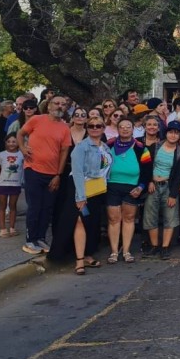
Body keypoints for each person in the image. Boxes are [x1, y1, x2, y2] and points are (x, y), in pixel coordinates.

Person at [17, 96, 72, 255]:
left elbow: (64, 152)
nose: (60, 106)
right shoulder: (36, 120)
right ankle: (30, 240)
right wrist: (22, 148)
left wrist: (58, 175)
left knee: (47, 208)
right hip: (33, 169)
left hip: (52, 173)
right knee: (34, 206)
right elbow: (20, 134)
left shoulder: (64, 128)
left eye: (63, 104)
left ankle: (40, 238)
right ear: (48, 106)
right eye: (56, 103)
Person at [105, 119, 152, 264]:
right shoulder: (108, 144)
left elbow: (147, 171)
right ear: (117, 129)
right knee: (113, 219)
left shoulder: (141, 148)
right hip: (111, 187)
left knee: (129, 219)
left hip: (132, 188)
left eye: (128, 126)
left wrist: (141, 187)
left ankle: (126, 251)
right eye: (121, 127)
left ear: (133, 129)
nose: (125, 129)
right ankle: (114, 251)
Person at [69, 116, 112, 274]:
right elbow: (77, 172)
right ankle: (79, 261)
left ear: (103, 128)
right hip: (82, 189)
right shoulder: (81, 147)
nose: (95, 128)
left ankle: (87, 255)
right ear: (87, 128)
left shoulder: (105, 147)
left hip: (98, 190)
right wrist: (81, 196)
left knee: (92, 224)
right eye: (91, 126)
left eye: (98, 125)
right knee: (81, 222)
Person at [143, 120, 180, 260]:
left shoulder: (179, 153)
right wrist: (149, 181)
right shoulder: (155, 147)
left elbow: (178, 175)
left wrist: (173, 194)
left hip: (168, 186)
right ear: (166, 133)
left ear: (179, 136)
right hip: (153, 185)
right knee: (151, 215)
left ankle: (165, 246)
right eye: (171, 132)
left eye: (176, 133)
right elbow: (147, 166)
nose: (173, 135)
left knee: (170, 216)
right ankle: (154, 245)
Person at [0, 134, 24, 238]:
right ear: (5, 142)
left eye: (14, 141)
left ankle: (12, 227)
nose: (11, 144)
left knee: (13, 206)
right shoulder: (1, 155)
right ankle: (3, 228)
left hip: (16, 184)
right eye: (9, 141)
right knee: (2, 206)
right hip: (2, 184)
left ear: (18, 142)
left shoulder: (22, 155)